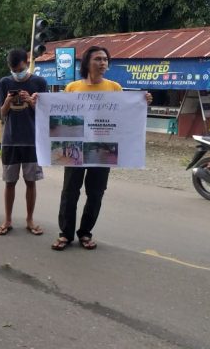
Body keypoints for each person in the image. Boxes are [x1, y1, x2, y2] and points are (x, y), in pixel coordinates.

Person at [51, 46, 152, 251]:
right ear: (87, 63)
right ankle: (65, 234)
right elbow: (58, 113)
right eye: (98, 59)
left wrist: (143, 103)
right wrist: (39, 103)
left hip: (103, 147)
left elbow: (125, 114)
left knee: (96, 193)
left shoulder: (114, 88)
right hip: (75, 147)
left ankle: (85, 233)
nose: (103, 63)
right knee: (70, 192)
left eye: (105, 59)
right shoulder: (72, 88)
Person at [0, 49, 47, 236]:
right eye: (13, 70)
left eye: (20, 69)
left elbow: (46, 112)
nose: (17, 73)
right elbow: (1, 112)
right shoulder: (4, 83)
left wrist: (31, 102)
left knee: (31, 182)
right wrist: (8, 101)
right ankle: (7, 220)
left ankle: (30, 220)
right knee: (10, 182)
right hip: (10, 141)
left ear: (28, 62)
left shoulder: (39, 83)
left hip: (33, 141)